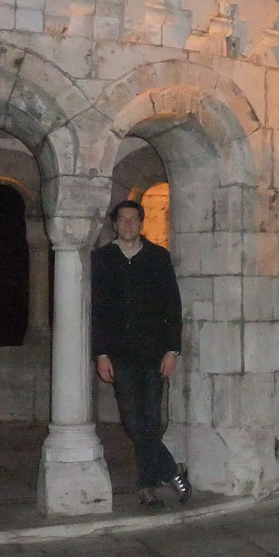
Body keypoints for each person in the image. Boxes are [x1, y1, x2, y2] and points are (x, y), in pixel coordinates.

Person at [91, 200, 191, 508]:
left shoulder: (158, 258)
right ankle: (172, 471)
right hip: (120, 355)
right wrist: (101, 353)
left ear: (142, 223)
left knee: (150, 421)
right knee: (133, 423)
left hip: (153, 353)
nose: (129, 225)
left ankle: (146, 487)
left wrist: (173, 350)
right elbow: (96, 310)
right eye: (123, 220)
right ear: (114, 224)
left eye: (134, 220)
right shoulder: (102, 259)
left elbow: (173, 307)